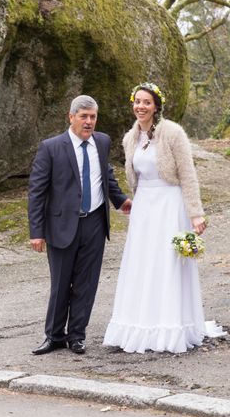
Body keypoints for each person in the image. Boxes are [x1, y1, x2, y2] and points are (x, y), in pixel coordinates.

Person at [103, 82, 225, 353]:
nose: (140, 107)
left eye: (147, 102)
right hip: (144, 207)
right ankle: (139, 323)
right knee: (143, 263)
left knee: (167, 263)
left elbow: (188, 174)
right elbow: (136, 178)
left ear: (156, 106)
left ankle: (170, 326)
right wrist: (130, 203)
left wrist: (196, 213)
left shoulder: (173, 133)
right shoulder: (130, 138)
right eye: (137, 101)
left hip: (170, 205)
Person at [29, 95, 132, 355]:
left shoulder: (102, 141)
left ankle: (77, 336)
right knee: (61, 283)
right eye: (84, 116)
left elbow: (105, 175)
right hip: (61, 226)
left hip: (95, 223)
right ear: (71, 117)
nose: (89, 122)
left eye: (93, 117)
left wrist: (119, 201)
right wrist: (37, 232)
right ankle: (54, 336)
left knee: (86, 283)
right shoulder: (50, 147)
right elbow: (37, 193)